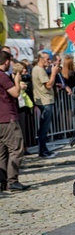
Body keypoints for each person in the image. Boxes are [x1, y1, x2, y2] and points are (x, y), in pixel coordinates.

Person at [0, 50, 30, 191]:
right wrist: (17, 82)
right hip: (7, 118)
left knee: (2, 152)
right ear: (6, 61)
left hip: (1, 119)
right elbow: (15, 93)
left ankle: (3, 181)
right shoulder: (3, 76)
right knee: (16, 149)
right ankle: (12, 180)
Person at [32, 50, 59, 158]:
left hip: (45, 100)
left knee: (45, 127)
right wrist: (53, 73)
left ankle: (44, 149)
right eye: (47, 59)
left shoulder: (39, 69)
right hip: (45, 101)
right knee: (44, 128)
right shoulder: (39, 70)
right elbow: (48, 85)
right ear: (41, 59)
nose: (49, 61)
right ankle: (42, 151)